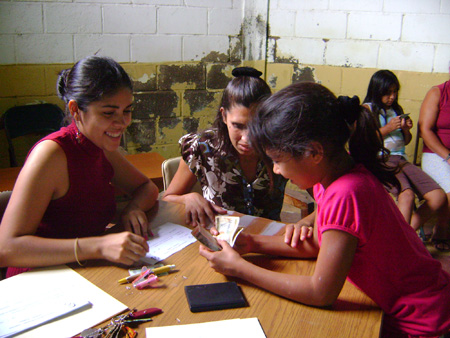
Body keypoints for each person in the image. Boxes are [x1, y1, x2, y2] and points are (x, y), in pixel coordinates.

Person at [199, 82, 450, 338]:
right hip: (423, 304)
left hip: (423, 321)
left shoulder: (346, 193)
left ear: (314, 152)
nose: (275, 170)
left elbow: (321, 293)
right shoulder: (329, 180)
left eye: (277, 160)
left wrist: (239, 268)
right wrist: (252, 244)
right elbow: (322, 242)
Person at [0, 56, 159, 278]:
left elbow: (146, 188)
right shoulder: (52, 154)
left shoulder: (100, 145)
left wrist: (133, 208)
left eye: (127, 110)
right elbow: (7, 249)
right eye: (108, 112)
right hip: (37, 278)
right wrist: (99, 246)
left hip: (83, 271)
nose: (122, 122)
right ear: (75, 110)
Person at [163, 67, 287, 227]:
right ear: (224, 115)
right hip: (221, 242)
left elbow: (327, 194)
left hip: (271, 243)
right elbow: (168, 198)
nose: (247, 138)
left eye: (257, 126)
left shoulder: (282, 148)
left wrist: (303, 223)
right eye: (238, 126)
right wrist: (189, 198)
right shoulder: (202, 147)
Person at [363, 70, 450, 251]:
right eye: (388, 93)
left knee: (438, 196)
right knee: (407, 195)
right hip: (381, 159)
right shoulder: (367, 109)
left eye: (395, 92)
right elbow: (364, 141)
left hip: (401, 159)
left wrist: (405, 130)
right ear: (376, 90)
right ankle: (399, 247)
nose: (392, 97)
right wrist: (387, 128)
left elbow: (406, 141)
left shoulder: (396, 109)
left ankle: (403, 236)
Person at [419, 63, 450, 250]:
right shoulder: (438, 93)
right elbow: (425, 130)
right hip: (436, 153)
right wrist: (447, 156)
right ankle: (442, 227)